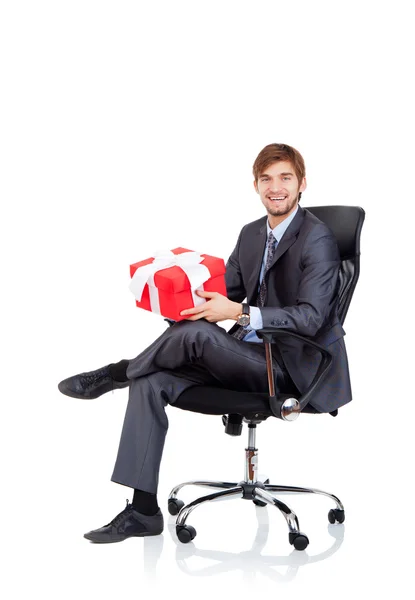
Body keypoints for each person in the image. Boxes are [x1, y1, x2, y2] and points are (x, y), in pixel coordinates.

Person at [58, 143, 351, 543]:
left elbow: (311, 317)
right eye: (267, 179)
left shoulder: (317, 238)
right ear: (256, 185)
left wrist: (240, 314)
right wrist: (172, 289)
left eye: (285, 178)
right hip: (243, 356)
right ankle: (142, 512)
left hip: (290, 367)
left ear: (302, 184)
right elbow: (222, 291)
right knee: (153, 379)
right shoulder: (251, 234)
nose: (276, 187)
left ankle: (116, 372)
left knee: (190, 338)